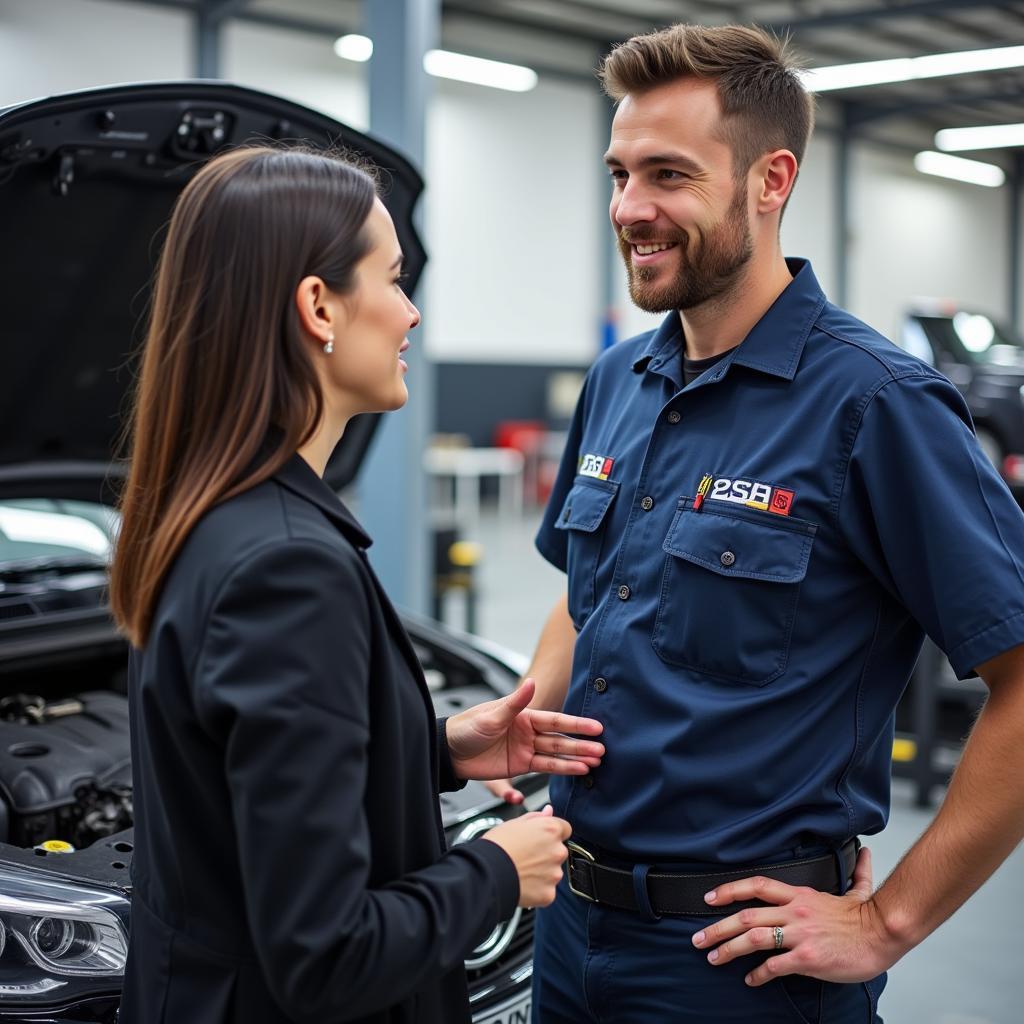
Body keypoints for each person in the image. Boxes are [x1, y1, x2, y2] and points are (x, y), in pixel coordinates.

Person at [492, 22, 1024, 1023]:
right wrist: (527, 714)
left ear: (769, 181)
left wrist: (888, 921)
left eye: (667, 175)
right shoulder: (619, 379)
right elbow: (580, 582)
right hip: (565, 922)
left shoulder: (874, 404)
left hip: (740, 969)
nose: (629, 210)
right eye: (617, 174)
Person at [107, 145, 605, 1024]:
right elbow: (324, 953)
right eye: (394, 278)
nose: (411, 312)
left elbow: (239, 790)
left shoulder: (211, 518)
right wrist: (498, 868)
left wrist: (436, 749)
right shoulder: (288, 569)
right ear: (318, 305)